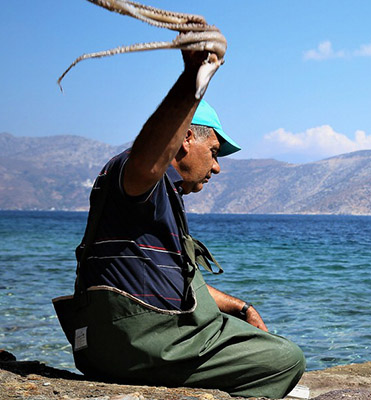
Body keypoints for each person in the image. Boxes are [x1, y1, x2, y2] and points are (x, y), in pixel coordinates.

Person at [53, 50, 305, 398]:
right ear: (184, 138)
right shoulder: (144, 179)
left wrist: (239, 307)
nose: (216, 167)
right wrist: (194, 79)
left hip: (108, 345)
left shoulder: (157, 195)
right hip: (137, 345)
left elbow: (170, 284)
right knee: (285, 358)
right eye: (214, 152)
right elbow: (148, 158)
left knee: (247, 338)